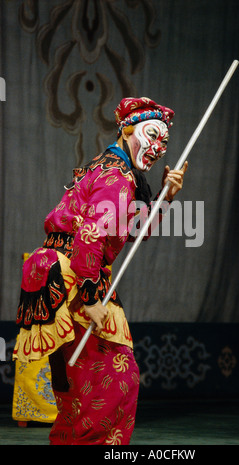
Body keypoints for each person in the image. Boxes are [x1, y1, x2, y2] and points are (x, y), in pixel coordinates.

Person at [13, 96, 188, 445]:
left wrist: (166, 197)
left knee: (76, 384)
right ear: (126, 129)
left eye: (164, 142)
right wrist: (92, 294)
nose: (157, 148)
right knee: (112, 382)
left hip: (70, 271)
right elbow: (91, 235)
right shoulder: (116, 177)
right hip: (77, 274)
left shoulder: (115, 168)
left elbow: (134, 230)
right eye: (151, 134)